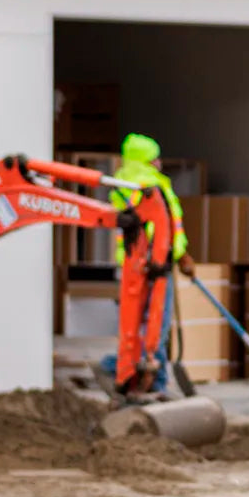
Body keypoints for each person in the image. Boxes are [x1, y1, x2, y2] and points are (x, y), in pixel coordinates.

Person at [99, 133, 196, 393]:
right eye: (156, 157)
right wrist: (179, 255)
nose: (160, 162)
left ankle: (130, 373)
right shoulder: (150, 186)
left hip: (136, 266)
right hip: (155, 267)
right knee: (156, 329)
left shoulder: (124, 184)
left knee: (137, 329)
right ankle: (149, 382)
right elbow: (161, 227)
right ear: (147, 159)